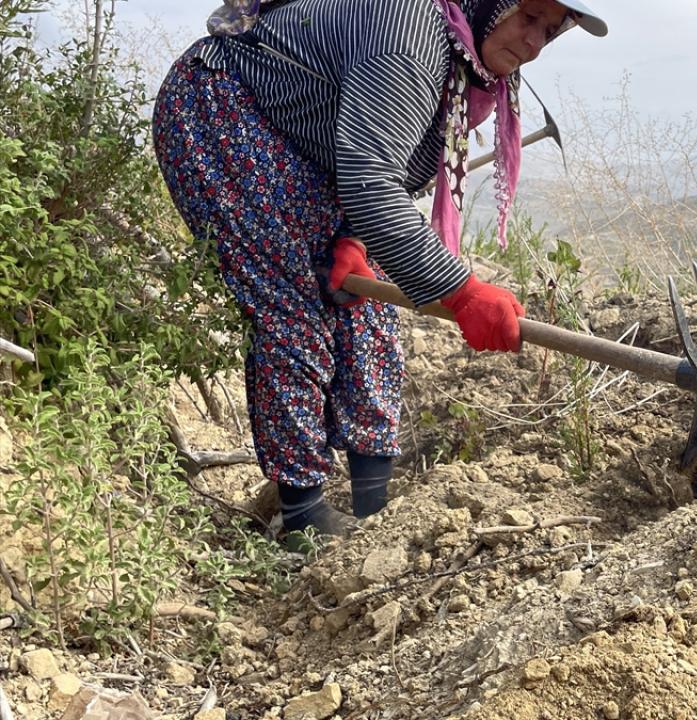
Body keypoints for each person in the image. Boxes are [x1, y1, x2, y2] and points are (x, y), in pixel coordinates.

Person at [152, 0, 607, 540]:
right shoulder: (409, 39)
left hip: (309, 149)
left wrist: (353, 240)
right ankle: (303, 518)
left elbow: (391, 162)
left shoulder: (470, 73)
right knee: (292, 304)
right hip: (223, 108)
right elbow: (370, 179)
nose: (534, 42)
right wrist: (461, 291)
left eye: (551, 31)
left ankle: (373, 505)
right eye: (528, 17)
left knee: (364, 305)